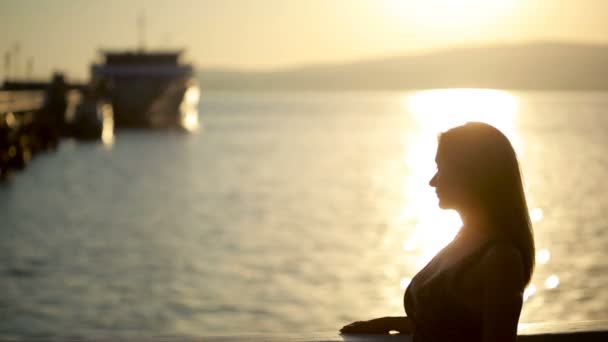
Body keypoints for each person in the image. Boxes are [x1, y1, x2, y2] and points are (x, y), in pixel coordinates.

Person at [340, 122, 535, 342]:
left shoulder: (501, 259)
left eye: (441, 168)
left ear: (472, 174)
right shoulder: (464, 240)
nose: (432, 181)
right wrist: (390, 323)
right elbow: (453, 322)